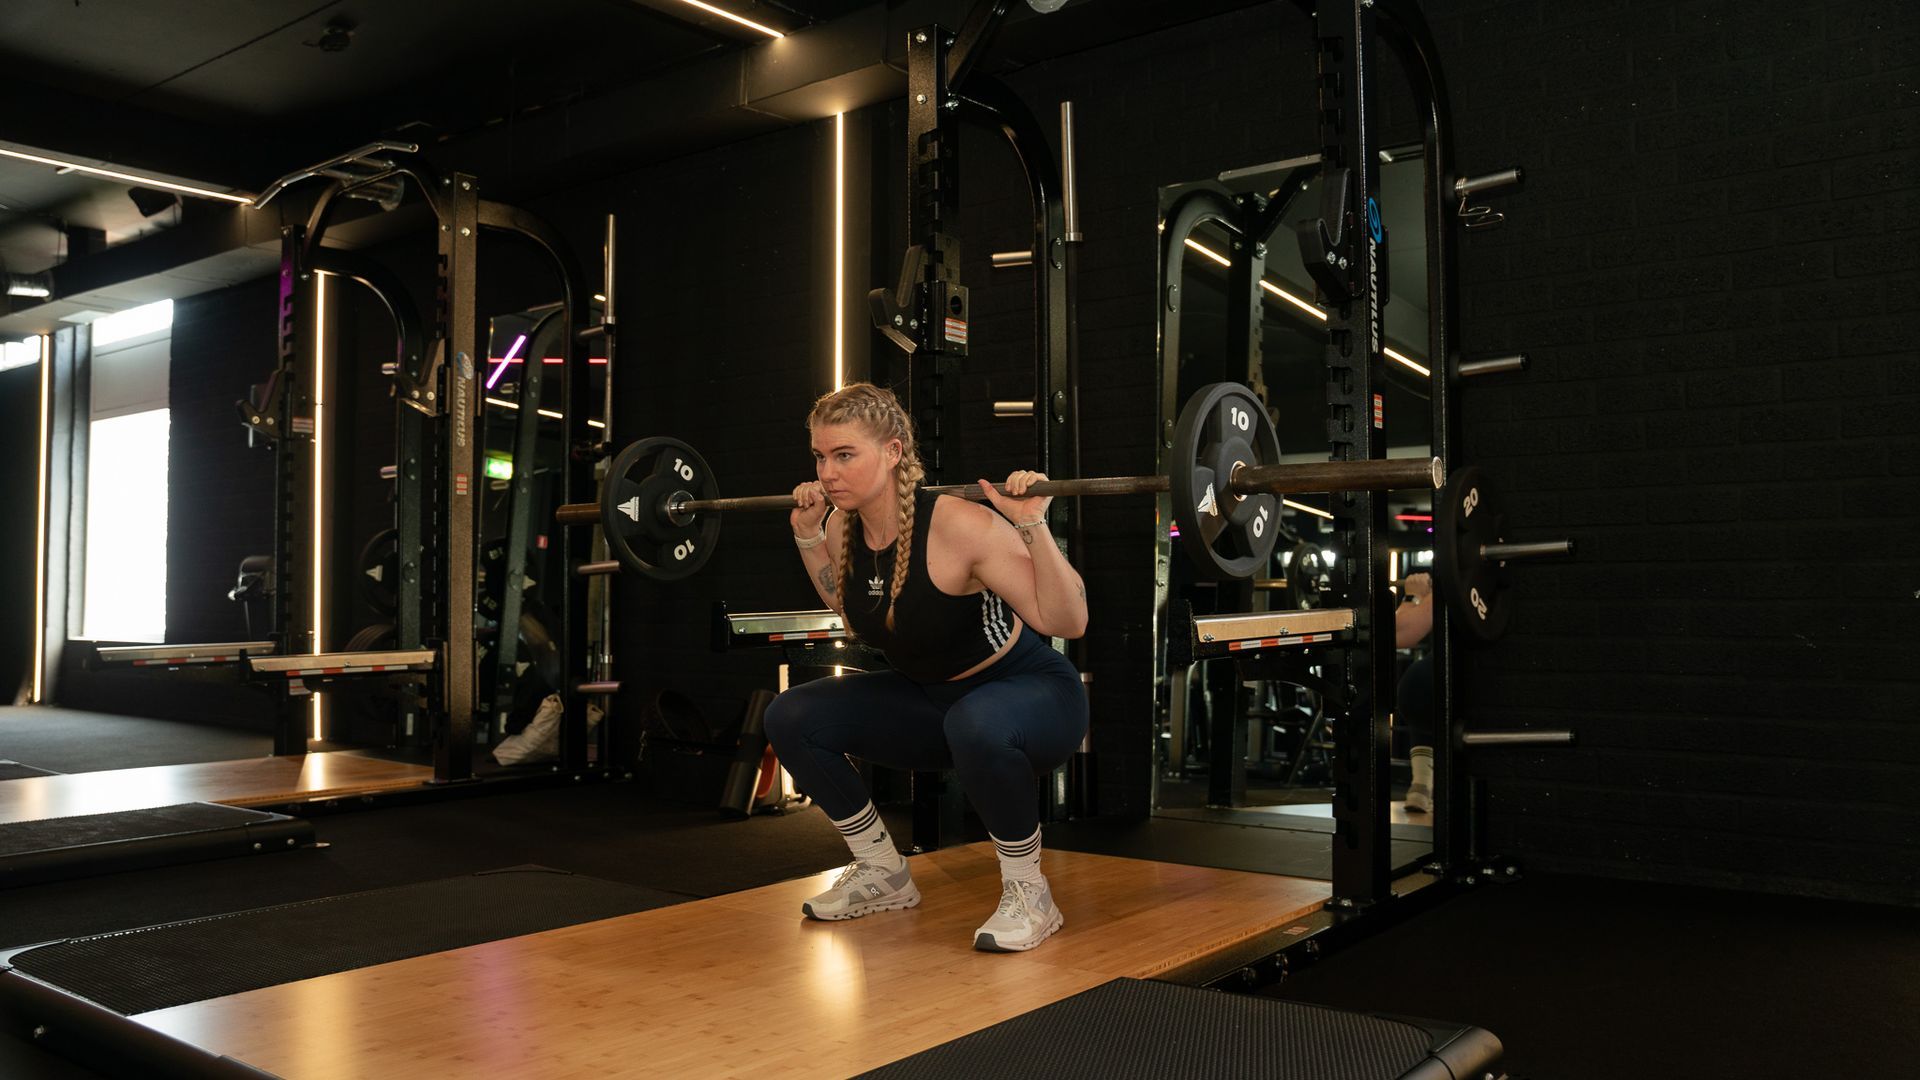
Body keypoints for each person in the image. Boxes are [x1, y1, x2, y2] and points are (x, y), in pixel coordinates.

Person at [761, 383, 1090, 953]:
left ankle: (1029, 892)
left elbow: (1068, 620)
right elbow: (854, 608)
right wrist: (809, 537)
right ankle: (881, 870)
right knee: (792, 716)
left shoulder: (961, 524)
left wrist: (1031, 524)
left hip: (1031, 697)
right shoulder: (844, 526)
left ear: (892, 452)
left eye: (844, 455)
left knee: (976, 721)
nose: (827, 472)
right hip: (935, 703)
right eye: (820, 456)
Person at [1393, 571, 1436, 812]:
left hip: (1437, 684)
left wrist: (1414, 596)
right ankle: (1423, 784)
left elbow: (1400, 634)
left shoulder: (1455, 578)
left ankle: (1421, 784)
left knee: (1426, 689)